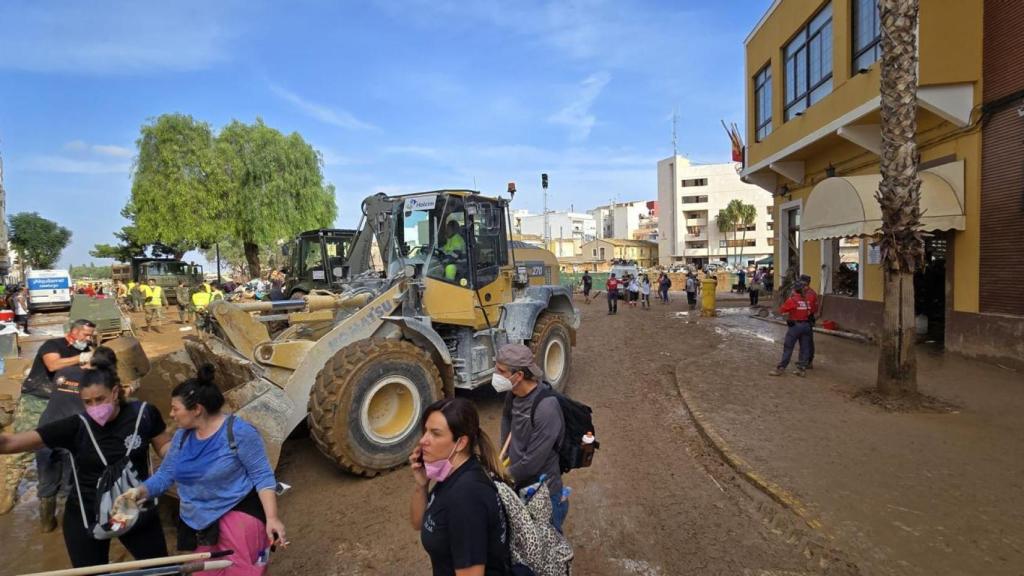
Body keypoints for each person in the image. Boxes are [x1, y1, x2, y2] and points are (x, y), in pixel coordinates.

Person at [120, 364, 287, 575]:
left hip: (237, 515)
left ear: (197, 409)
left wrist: (272, 518)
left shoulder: (238, 432)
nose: (171, 414)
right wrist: (139, 492)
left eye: (175, 408)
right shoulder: (181, 438)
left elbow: (262, 476)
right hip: (196, 523)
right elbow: (165, 475)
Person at [0, 365, 171, 567]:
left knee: (161, 568)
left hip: (135, 505)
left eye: (100, 399)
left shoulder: (144, 414)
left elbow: (165, 449)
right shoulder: (76, 425)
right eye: (87, 402)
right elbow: (10, 443)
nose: (95, 407)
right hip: (86, 512)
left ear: (115, 392)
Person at [0, 319, 96, 518]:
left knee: (61, 449)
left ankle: (57, 499)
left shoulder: (88, 348)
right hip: (37, 399)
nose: (89, 339)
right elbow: (53, 365)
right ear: (74, 332)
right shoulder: (53, 345)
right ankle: (8, 494)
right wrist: (81, 358)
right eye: (86, 334)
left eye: (91, 335)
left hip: (64, 401)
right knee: (21, 448)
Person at [409, 397, 509, 576]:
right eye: (425, 431)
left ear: (461, 443)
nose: (423, 440)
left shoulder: (467, 497)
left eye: (435, 433)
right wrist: (421, 485)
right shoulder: (452, 475)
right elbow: (419, 523)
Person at [493, 343, 567, 534]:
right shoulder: (513, 394)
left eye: (500, 371)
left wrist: (503, 475)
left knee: (547, 551)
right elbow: (507, 420)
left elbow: (533, 462)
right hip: (520, 487)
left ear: (518, 376)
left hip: (544, 494)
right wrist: (504, 458)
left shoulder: (546, 408)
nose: (495, 374)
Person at [770, 281, 814, 377]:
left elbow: (782, 310)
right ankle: (802, 369)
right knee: (804, 348)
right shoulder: (807, 301)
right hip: (806, 326)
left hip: (795, 326)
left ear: (794, 290)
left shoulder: (792, 300)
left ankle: (781, 368)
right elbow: (810, 312)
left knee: (788, 347)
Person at [799, 274, 819, 368]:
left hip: (807, 319)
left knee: (808, 341)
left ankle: (808, 361)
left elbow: (811, 309)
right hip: (801, 319)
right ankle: (803, 360)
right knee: (802, 340)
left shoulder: (810, 294)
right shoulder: (802, 292)